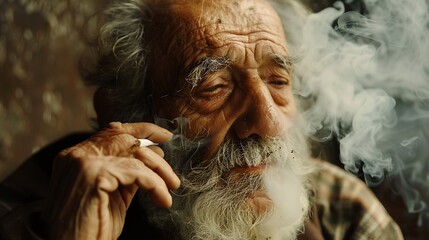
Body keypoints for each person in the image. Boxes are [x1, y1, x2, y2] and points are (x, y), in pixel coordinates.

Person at [0, 0, 403, 239]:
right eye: (213, 88)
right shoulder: (39, 212)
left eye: (278, 80)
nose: (268, 122)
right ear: (126, 114)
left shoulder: (342, 211)